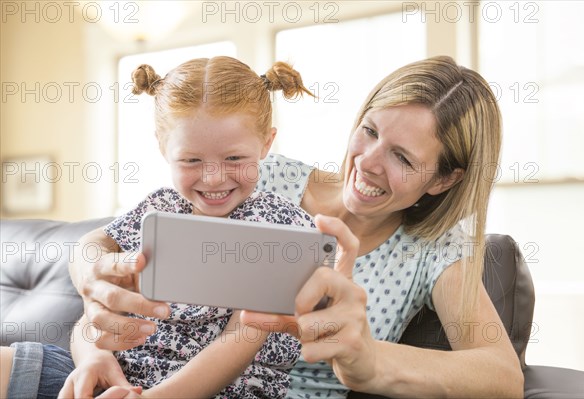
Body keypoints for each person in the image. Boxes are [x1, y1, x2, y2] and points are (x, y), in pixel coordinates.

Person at [2, 55, 525, 398]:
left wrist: (368, 359)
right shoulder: (252, 175)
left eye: (403, 159)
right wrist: (93, 275)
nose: (366, 162)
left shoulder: (435, 250)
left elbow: (501, 375)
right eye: (368, 130)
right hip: (131, 369)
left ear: (444, 179)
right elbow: (110, 243)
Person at [0, 55, 324, 398]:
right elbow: (94, 308)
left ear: (266, 144)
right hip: (111, 378)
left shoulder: (281, 227)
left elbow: (241, 339)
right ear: (162, 146)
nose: (213, 178)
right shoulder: (160, 208)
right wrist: (92, 358)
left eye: (234, 159)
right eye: (191, 160)